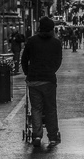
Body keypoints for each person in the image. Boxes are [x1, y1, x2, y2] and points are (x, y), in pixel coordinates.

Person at [21, 16, 63, 148]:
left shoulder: (31, 41)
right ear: (51, 29)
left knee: (36, 108)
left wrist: (28, 73)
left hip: (34, 80)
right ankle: (52, 137)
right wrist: (51, 71)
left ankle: (37, 135)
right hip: (48, 80)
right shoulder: (56, 43)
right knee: (50, 108)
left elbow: (24, 59)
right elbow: (58, 61)